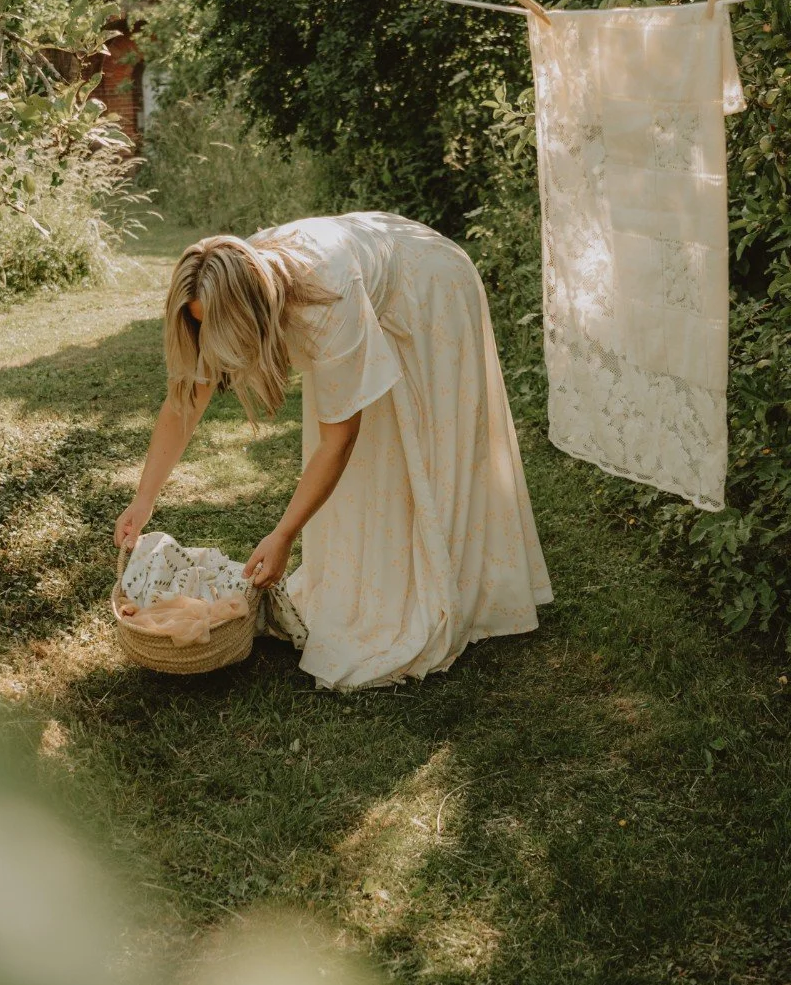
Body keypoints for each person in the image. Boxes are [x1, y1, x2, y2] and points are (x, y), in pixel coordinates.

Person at [114, 211, 552, 691]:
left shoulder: (327, 303)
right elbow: (185, 402)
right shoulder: (227, 276)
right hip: (372, 270)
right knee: (374, 462)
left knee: (429, 446)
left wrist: (283, 535)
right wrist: (145, 498)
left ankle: (454, 586)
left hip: (431, 289)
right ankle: (380, 585)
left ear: (251, 314)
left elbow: (339, 440)